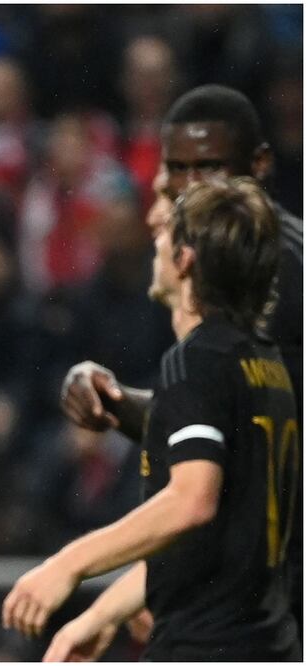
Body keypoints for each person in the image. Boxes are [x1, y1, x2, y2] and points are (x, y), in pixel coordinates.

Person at [4, 177, 300, 661]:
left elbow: (191, 501)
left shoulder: (195, 362)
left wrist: (68, 564)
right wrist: (104, 613)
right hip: (266, 644)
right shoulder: (268, 367)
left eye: (166, 232)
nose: (154, 239)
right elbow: (215, 537)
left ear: (185, 260)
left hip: (204, 648)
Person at [60, 84, 304, 636]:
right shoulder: (217, 274)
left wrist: (69, 567)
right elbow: (237, 420)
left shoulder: (277, 272)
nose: (190, 186)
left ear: (259, 165)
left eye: (210, 168)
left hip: (267, 587)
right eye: (178, 168)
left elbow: (237, 438)